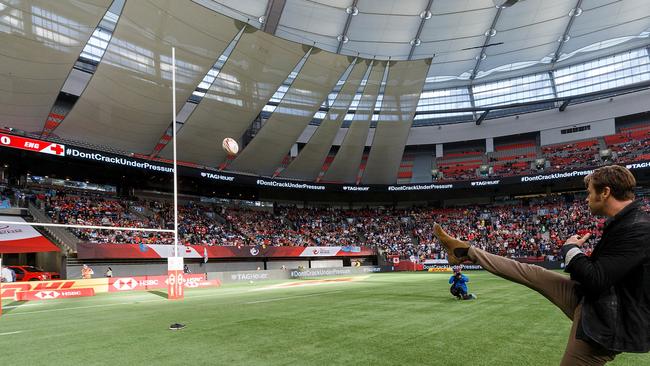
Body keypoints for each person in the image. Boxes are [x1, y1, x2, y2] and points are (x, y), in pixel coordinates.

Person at [433, 165, 650, 365]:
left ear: (606, 192)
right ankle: (464, 251)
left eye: (589, 192)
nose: (586, 198)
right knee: (531, 272)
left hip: (606, 322)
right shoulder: (625, 222)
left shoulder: (637, 228)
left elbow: (596, 279)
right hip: (595, 300)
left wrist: (571, 249)